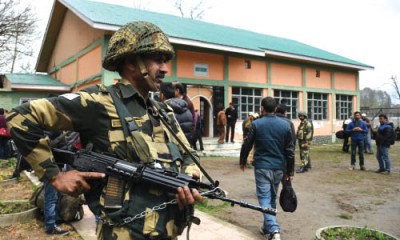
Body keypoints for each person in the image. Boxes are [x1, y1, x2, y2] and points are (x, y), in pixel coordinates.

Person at [7, 21, 202, 239]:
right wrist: (54, 176)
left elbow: (188, 154)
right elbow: (20, 116)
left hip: (169, 231)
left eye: (166, 61)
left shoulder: (162, 111)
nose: (165, 69)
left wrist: (188, 176)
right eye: (157, 60)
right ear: (131, 61)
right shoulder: (99, 102)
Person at [239, 96, 295, 240]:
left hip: (262, 167)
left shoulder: (257, 124)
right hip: (279, 168)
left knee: (264, 198)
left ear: (262, 108)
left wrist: (243, 160)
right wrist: (290, 171)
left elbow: (247, 144)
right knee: (271, 198)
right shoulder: (285, 125)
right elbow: (290, 150)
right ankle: (266, 228)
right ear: (275, 108)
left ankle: (274, 229)